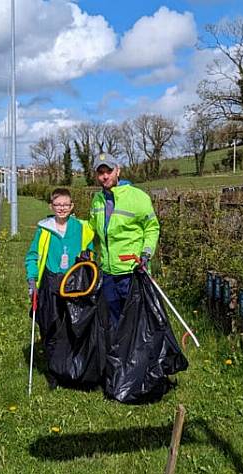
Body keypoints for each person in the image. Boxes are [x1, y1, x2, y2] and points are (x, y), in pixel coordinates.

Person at [24, 188, 95, 389]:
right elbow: (32, 256)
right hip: (51, 282)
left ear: (72, 207)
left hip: (74, 283)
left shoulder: (82, 228)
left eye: (65, 205)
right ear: (51, 207)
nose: (62, 208)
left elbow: (90, 251)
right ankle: (54, 370)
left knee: (74, 326)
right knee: (50, 326)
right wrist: (32, 279)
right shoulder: (44, 229)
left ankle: (73, 368)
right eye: (58, 205)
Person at [87, 153, 160, 328]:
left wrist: (146, 253)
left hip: (132, 271)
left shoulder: (138, 197)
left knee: (136, 322)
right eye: (100, 172)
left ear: (118, 171)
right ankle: (117, 353)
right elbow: (92, 230)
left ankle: (137, 355)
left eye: (109, 171)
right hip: (107, 272)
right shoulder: (97, 200)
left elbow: (152, 227)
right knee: (113, 320)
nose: (105, 176)